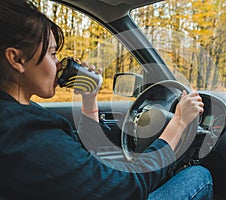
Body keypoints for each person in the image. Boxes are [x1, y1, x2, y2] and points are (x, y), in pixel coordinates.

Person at [0, 0, 213, 199]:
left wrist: (89, 100)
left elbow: (81, 158)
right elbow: (130, 187)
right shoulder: (25, 132)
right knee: (198, 176)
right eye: (52, 53)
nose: (58, 63)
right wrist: (179, 122)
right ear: (16, 59)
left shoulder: (19, 114)